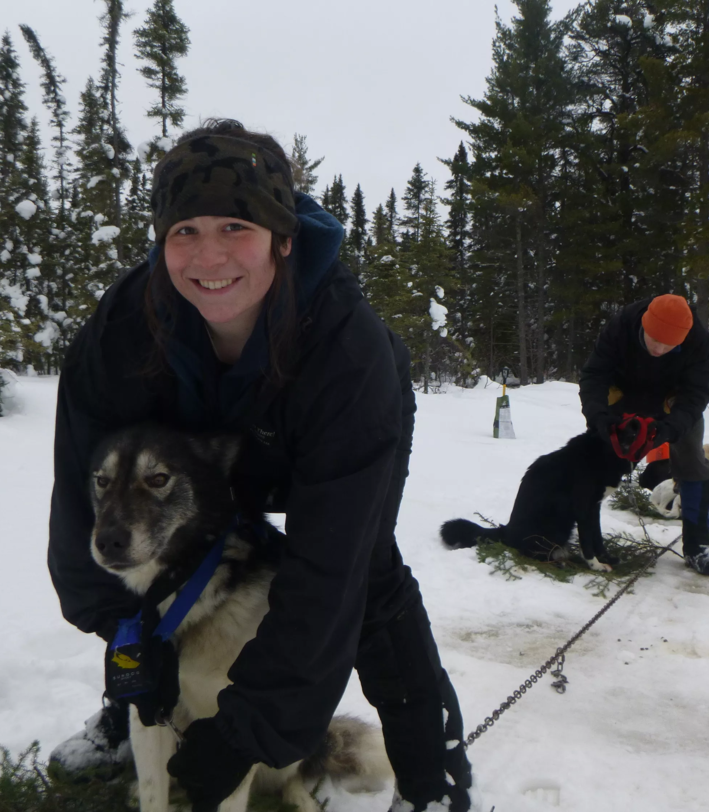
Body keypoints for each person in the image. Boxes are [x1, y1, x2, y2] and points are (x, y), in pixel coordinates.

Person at [47, 119, 473, 811]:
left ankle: (433, 767)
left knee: (365, 572)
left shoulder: (347, 353)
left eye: (234, 228)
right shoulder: (123, 331)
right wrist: (123, 641)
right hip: (199, 448)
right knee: (161, 563)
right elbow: (82, 498)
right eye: (184, 231)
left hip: (318, 435)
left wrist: (252, 730)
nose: (208, 257)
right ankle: (125, 714)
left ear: (283, 237)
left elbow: (326, 573)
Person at [579, 293, 709, 576]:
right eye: (654, 341)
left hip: (673, 400)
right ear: (643, 327)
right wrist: (598, 418)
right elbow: (594, 375)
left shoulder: (697, 339)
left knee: (692, 459)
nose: (660, 349)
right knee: (594, 458)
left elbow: (695, 394)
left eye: (670, 345)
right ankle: (585, 538)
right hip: (623, 391)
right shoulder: (621, 325)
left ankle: (699, 545)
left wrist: (669, 429)